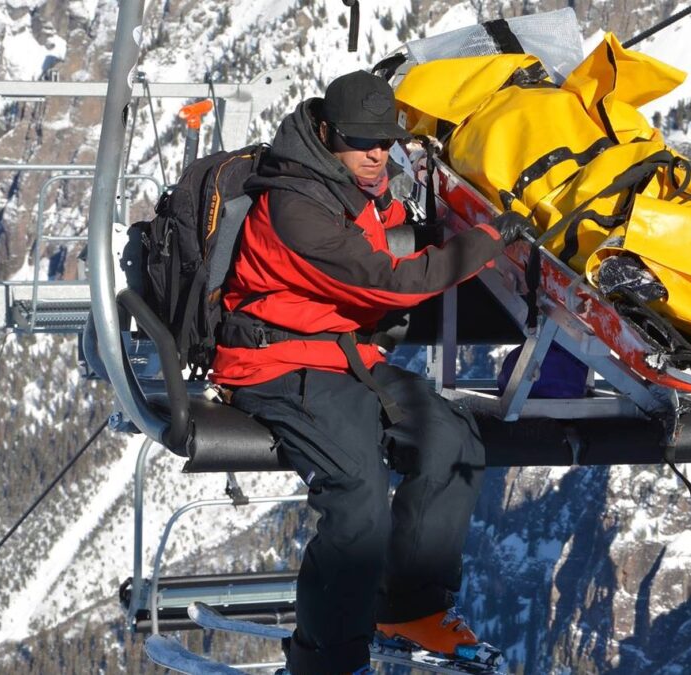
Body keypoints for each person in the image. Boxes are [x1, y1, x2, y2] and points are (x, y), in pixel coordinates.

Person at [210, 70, 526, 675]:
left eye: (385, 141)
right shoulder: (296, 210)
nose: (377, 154)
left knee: (453, 441)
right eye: (363, 142)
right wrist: (487, 241)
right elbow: (393, 280)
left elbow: (388, 248)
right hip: (276, 363)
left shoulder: (353, 186)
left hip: (344, 355)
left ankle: (408, 608)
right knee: (357, 499)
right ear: (327, 134)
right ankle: (324, 661)